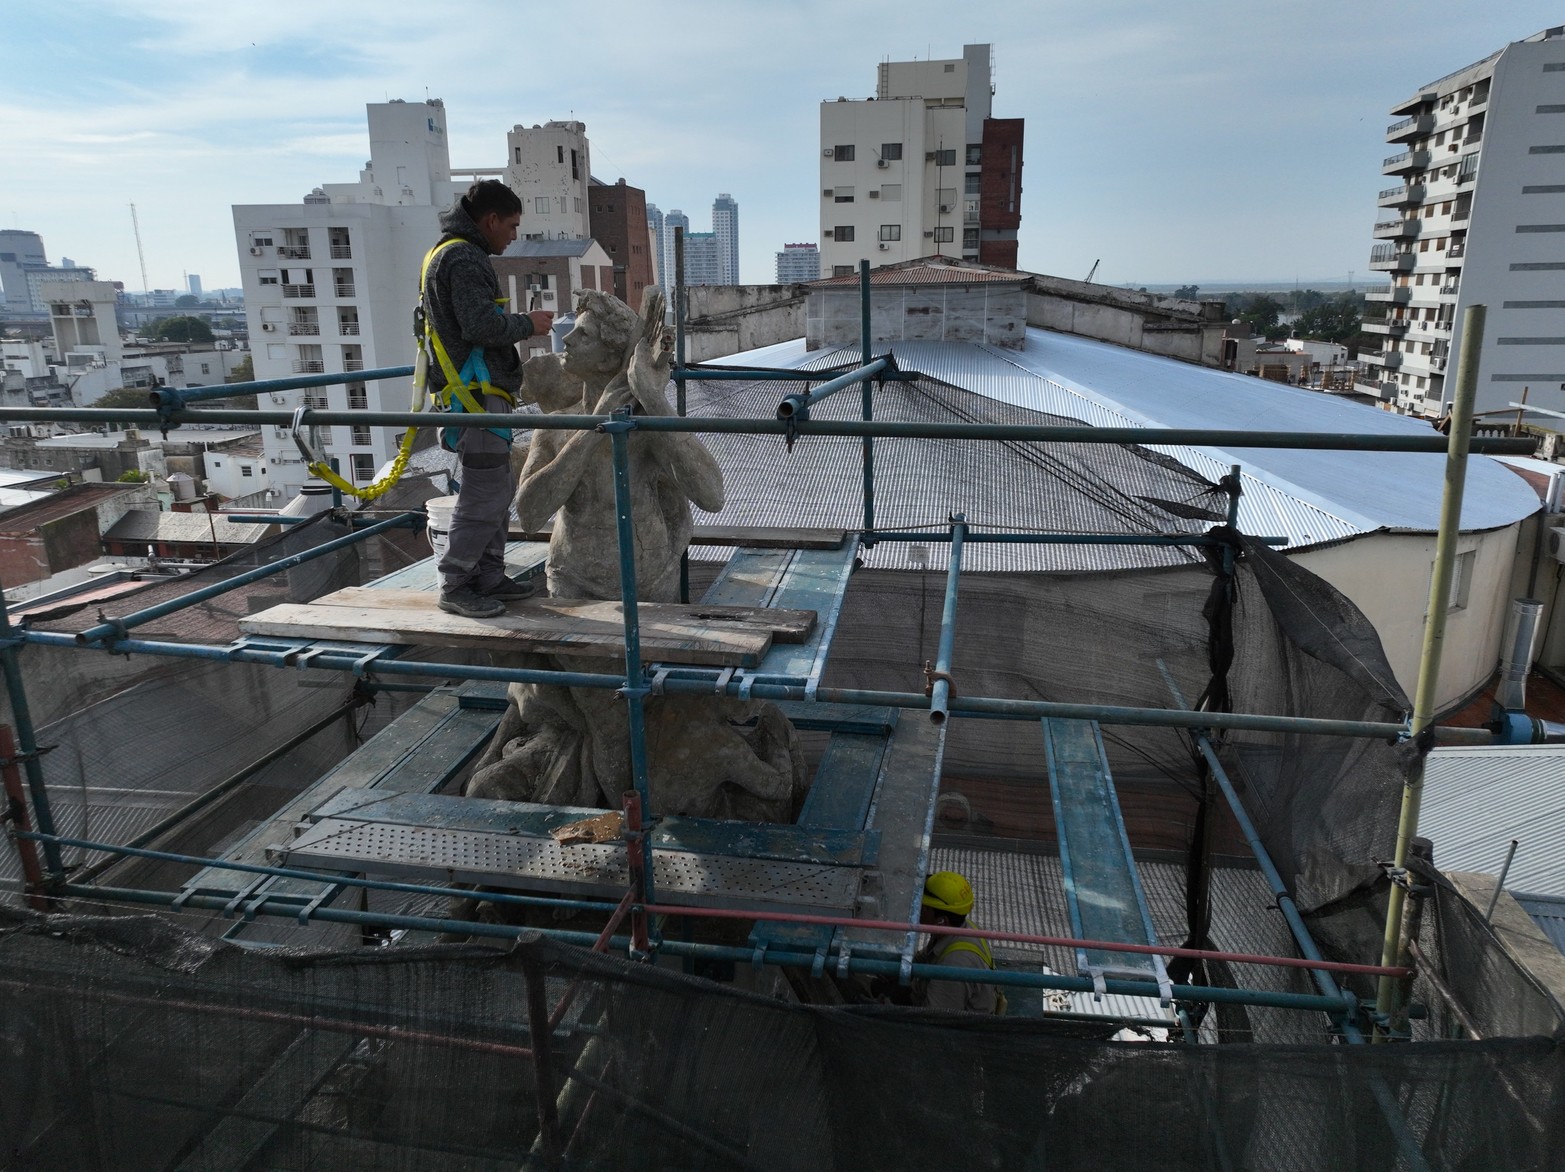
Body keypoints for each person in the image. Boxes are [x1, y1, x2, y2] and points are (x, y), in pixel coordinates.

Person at [421, 179, 553, 618]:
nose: (514, 236)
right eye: (511, 226)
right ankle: (457, 584)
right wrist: (527, 324)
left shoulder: (450, 255)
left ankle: (489, 575)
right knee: (484, 493)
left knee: (496, 490)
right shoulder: (462, 258)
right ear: (490, 220)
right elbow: (479, 326)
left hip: (478, 394)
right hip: (475, 397)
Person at [913, 870, 1003, 1014]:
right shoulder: (961, 930)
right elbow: (922, 958)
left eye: (923, 908)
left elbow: (932, 1022)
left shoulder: (953, 966)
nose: (917, 911)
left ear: (941, 920)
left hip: (959, 1031)